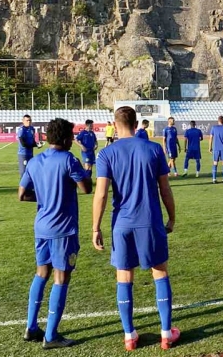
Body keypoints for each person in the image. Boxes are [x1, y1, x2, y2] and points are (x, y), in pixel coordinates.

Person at [92, 106, 180, 351]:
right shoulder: (153, 149)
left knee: (124, 276)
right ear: (137, 123)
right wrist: (172, 218)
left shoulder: (106, 153)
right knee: (159, 272)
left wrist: (95, 228)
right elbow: (165, 189)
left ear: (114, 123)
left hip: (122, 224)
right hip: (150, 220)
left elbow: (100, 195)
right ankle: (166, 333)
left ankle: (130, 335)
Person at [19, 118, 92, 349]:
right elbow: (86, 188)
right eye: (71, 136)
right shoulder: (69, 160)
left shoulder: (34, 161)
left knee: (41, 273)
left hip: (41, 226)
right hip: (63, 229)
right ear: (63, 138)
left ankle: (31, 327)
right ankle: (50, 336)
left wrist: (44, 199)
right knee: (61, 278)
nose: (73, 139)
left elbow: (22, 194)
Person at [209, 116, 223, 183]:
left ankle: (214, 179)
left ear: (218, 121)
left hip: (216, 148)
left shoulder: (214, 128)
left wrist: (210, 147)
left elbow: (211, 138)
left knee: (215, 163)